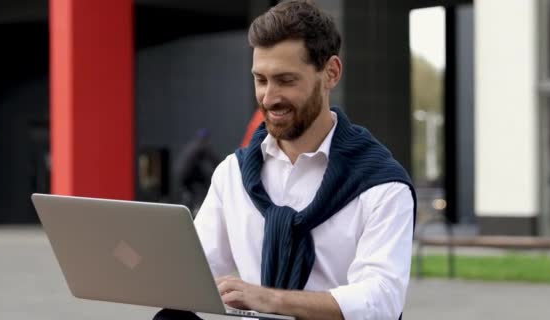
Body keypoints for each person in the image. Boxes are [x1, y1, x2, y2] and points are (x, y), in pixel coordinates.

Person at [155, 1, 416, 319]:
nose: (268, 97)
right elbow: (195, 274)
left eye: (286, 80)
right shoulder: (232, 175)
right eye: (261, 80)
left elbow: (382, 299)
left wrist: (272, 301)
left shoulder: (382, 185)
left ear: (331, 73)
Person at [175, 128, 220, 215]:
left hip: (180, 172)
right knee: (205, 183)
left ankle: (188, 205)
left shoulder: (193, 144)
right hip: (188, 173)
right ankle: (199, 207)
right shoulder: (203, 145)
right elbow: (214, 159)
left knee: (191, 190)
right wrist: (221, 167)